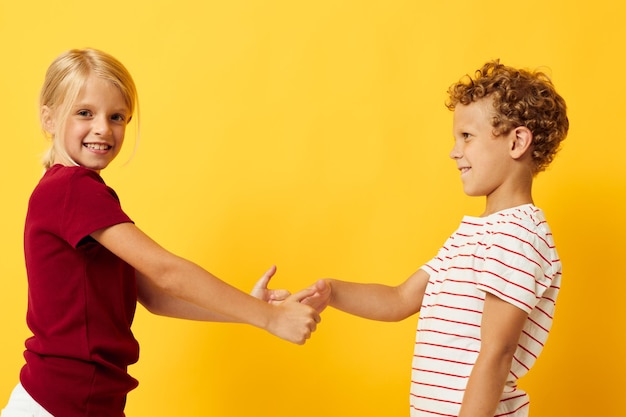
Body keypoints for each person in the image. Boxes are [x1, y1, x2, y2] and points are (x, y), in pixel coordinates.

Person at [1, 48, 328, 417]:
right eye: (84, 113)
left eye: (117, 117)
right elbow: (166, 271)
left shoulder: (74, 194)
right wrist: (270, 318)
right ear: (48, 117)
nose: (103, 129)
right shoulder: (73, 188)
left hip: (82, 404)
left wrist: (252, 309)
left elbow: (154, 295)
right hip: (61, 405)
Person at [303, 61, 568, 416]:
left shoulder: (515, 236)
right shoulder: (475, 233)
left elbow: (497, 352)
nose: (454, 151)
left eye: (467, 137)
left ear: (517, 141)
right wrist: (333, 291)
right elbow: (399, 300)